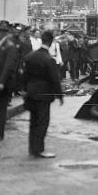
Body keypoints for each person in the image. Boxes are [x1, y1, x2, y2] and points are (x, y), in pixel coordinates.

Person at [23, 30, 64, 158]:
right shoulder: (49, 60)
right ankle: (39, 149)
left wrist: (25, 90)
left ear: (41, 40)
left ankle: (32, 148)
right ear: (51, 42)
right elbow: (54, 80)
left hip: (31, 92)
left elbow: (24, 76)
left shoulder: (30, 56)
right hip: (44, 94)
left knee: (33, 122)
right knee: (42, 123)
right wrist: (60, 96)